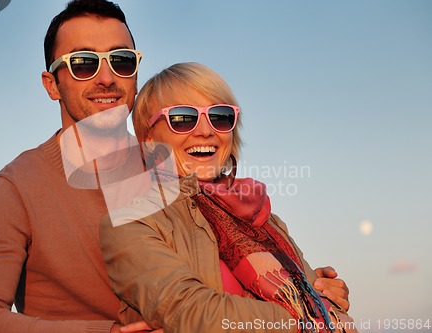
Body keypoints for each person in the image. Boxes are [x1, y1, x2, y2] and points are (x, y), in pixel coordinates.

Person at [0, 0, 349, 332]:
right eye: (84, 63)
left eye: (121, 60)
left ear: (136, 74)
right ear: (52, 84)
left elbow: (233, 274)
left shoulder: (182, 163)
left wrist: (313, 287)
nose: (106, 77)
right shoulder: (17, 187)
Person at [100, 62, 357, 333]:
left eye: (219, 116)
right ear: (149, 139)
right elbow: (194, 313)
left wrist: (325, 301)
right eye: (183, 118)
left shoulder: (263, 217)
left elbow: (331, 306)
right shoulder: (131, 219)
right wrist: (313, 316)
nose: (206, 131)